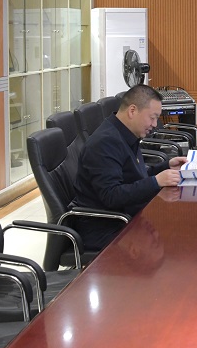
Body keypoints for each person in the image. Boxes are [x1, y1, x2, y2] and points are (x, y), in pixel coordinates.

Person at [72, 85, 187, 251]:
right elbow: (111, 196)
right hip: (107, 226)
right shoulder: (105, 143)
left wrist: (166, 166)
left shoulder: (125, 134)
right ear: (132, 111)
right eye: (152, 118)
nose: (155, 124)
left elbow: (133, 176)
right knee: (173, 235)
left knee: (176, 228)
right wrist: (156, 182)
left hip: (124, 216)